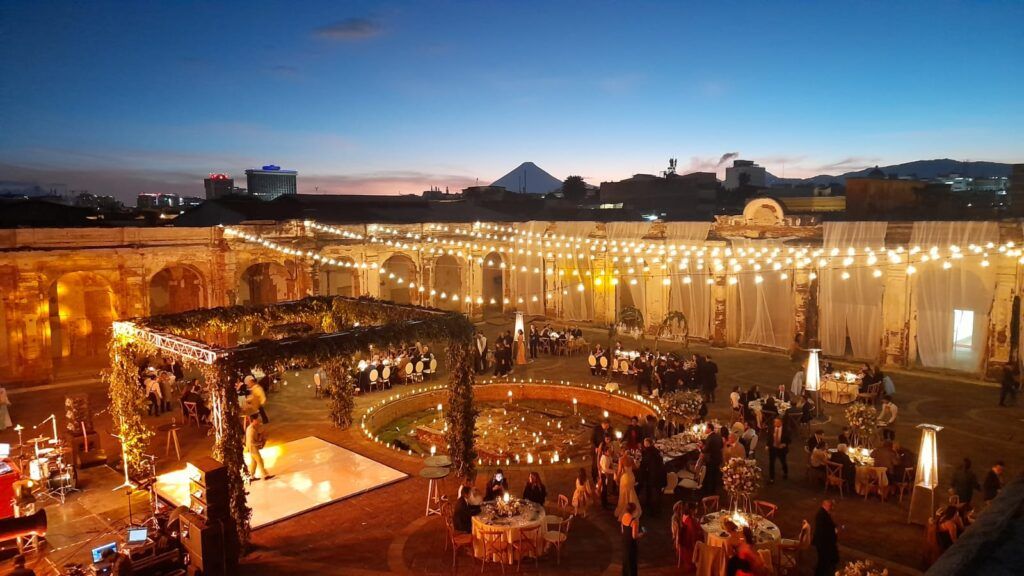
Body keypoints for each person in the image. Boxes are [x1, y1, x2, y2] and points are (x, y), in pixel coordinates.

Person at [638, 438, 665, 517]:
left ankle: (653, 511)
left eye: (645, 444)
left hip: (653, 476)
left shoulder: (648, 452)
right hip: (660, 474)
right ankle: (657, 508)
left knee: (653, 493)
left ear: (649, 444)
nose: (644, 445)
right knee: (657, 493)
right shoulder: (656, 451)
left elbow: (644, 464)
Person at [812, 499, 840, 576]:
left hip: (824, 542)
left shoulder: (823, 513)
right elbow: (823, 530)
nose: (831, 508)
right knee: (822, 560)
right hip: (823, 543)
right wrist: (834, 531)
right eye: (830, 506)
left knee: (824, 559)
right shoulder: (821, 515)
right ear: (826, 506)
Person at [672, 501, 700, 573]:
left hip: (684, 539)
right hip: (688, 544)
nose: (697, 511)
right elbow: (693, 536)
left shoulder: (684, 516)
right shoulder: (690, 522)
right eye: (695, 509)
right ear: (691, 510)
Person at [620, 501, 645, 576]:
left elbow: (622, 529)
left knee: (626, 560)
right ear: (633, 510)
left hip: (624, 542)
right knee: (632, 561)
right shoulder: (634, 521)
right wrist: (642, 533)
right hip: (631, 544)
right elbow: (634, 536)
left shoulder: (624, 516)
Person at [615, 455, 643, 520]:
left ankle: (626, 510)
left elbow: (619, 471)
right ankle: (632, 509)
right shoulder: (631, 458)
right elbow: (635, 467)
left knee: (623, 495)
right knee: (631, 492)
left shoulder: (621, 459)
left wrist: (617, 479)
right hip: (631, 477)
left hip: (625, 478)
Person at [245, 414, 271, 481]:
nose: (259, 421)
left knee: (254, 462)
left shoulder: (252, 427)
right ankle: (265, 475)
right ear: (253, 420)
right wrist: (260, 443)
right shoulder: (251, 430)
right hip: (252, 447)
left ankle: (251, 476)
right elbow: (251, 442)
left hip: (251, 447)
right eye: (257, 420)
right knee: (260, 460)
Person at [766, 417, 790, 484]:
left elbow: (789, 440)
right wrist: (767, 445)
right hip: (773, 448)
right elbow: (769, 437)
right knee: (771, 463)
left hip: (781, 449)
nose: (775, 423)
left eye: (777, 422)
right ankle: (771, 478)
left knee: (783, 462)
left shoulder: (786, 429)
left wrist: (784, 444)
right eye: (774, 422)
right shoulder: (771, 428)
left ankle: (785, 472)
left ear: (781, 422)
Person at [702, 424, 724, 494]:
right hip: (718, 458)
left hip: (711, 459)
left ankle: (708, 491)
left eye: (706, 428)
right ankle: (714, 490)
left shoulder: (710, 437)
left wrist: (700, 447)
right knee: (715, 474)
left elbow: (705, 450)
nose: (705, 430)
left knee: (709, 475)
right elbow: (721, 446)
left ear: (710, 429)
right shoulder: (718, 436)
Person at [599, 442, 616, 509]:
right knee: (604, 489)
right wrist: (613, 471)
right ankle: (604, 504)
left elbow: (611, 463)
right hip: (604, 475)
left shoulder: (608, 456)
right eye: (608, 451)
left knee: (606, 489)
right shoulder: (604, 458)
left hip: (607, 474)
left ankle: (606, 501)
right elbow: (605, 469)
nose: (610, 452)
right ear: (605, 452)